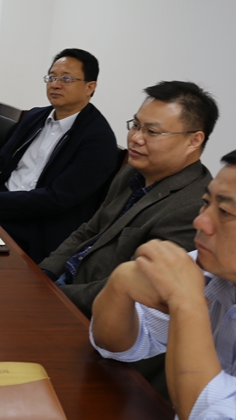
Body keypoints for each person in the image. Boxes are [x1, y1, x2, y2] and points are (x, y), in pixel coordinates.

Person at [91, 144, 236, 420]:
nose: (201, 222)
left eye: (225, 212)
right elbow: (120, 346)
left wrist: (187, 302)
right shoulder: (210, 268)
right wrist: (120, 284)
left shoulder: (203, 276)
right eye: (206, 203)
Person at [41, 81, 217, 317]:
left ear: (194, 141)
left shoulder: (194, 207)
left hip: (94, 312)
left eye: (152, 132)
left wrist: (52, 294)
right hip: (65, 283)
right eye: (135, 125)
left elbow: (131, 288)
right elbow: (90, 230)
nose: (135, 138)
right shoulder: (133, 171)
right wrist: (44, 273)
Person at [0, 48, 118, 263]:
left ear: (90, 87)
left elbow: (57, 198)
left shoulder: (98, 139)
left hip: (36, 226)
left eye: (66, 79)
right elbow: (1, 160)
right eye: (52, 77)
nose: (55, 84)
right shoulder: (36, 116)